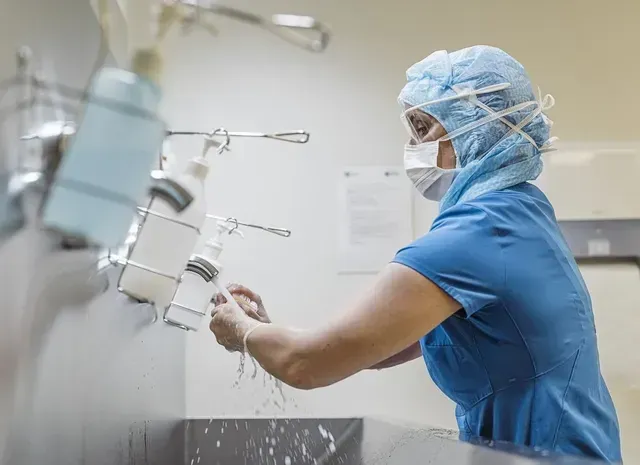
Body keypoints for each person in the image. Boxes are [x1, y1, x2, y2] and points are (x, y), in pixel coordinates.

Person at [209, 45, 622, 462]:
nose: (411, 145)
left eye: (423, 127)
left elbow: (307, 364)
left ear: (473, 128)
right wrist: (267, 331)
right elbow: (372, 347)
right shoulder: (520, 210)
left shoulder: (476, 235)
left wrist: (243, 332)